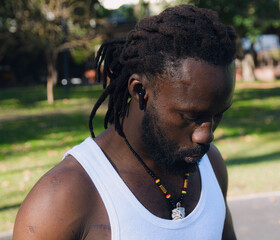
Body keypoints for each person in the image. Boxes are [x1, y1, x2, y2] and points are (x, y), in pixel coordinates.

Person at [13, 5, 238, 240]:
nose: (206, 135)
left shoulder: (211, 165)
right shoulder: (62, 198)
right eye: (190, 117)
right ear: (140, 90)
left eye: (217, 115)